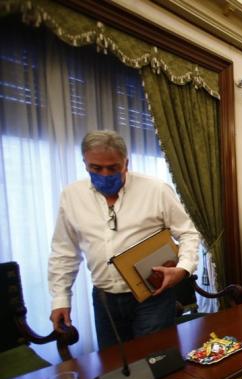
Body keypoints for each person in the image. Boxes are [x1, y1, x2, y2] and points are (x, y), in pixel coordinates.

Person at [48, 130, 200, 349]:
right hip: (104, 299)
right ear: (85, 163)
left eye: (113, 168)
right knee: (116, 368)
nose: (105, 174)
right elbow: (64, 251)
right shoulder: (71, 196)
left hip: (152, 296)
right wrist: (60, 298)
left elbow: (187, 233)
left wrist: (183, 269)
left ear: (126, 163)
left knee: (155, 363)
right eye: (96, 168)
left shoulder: (156, 190)